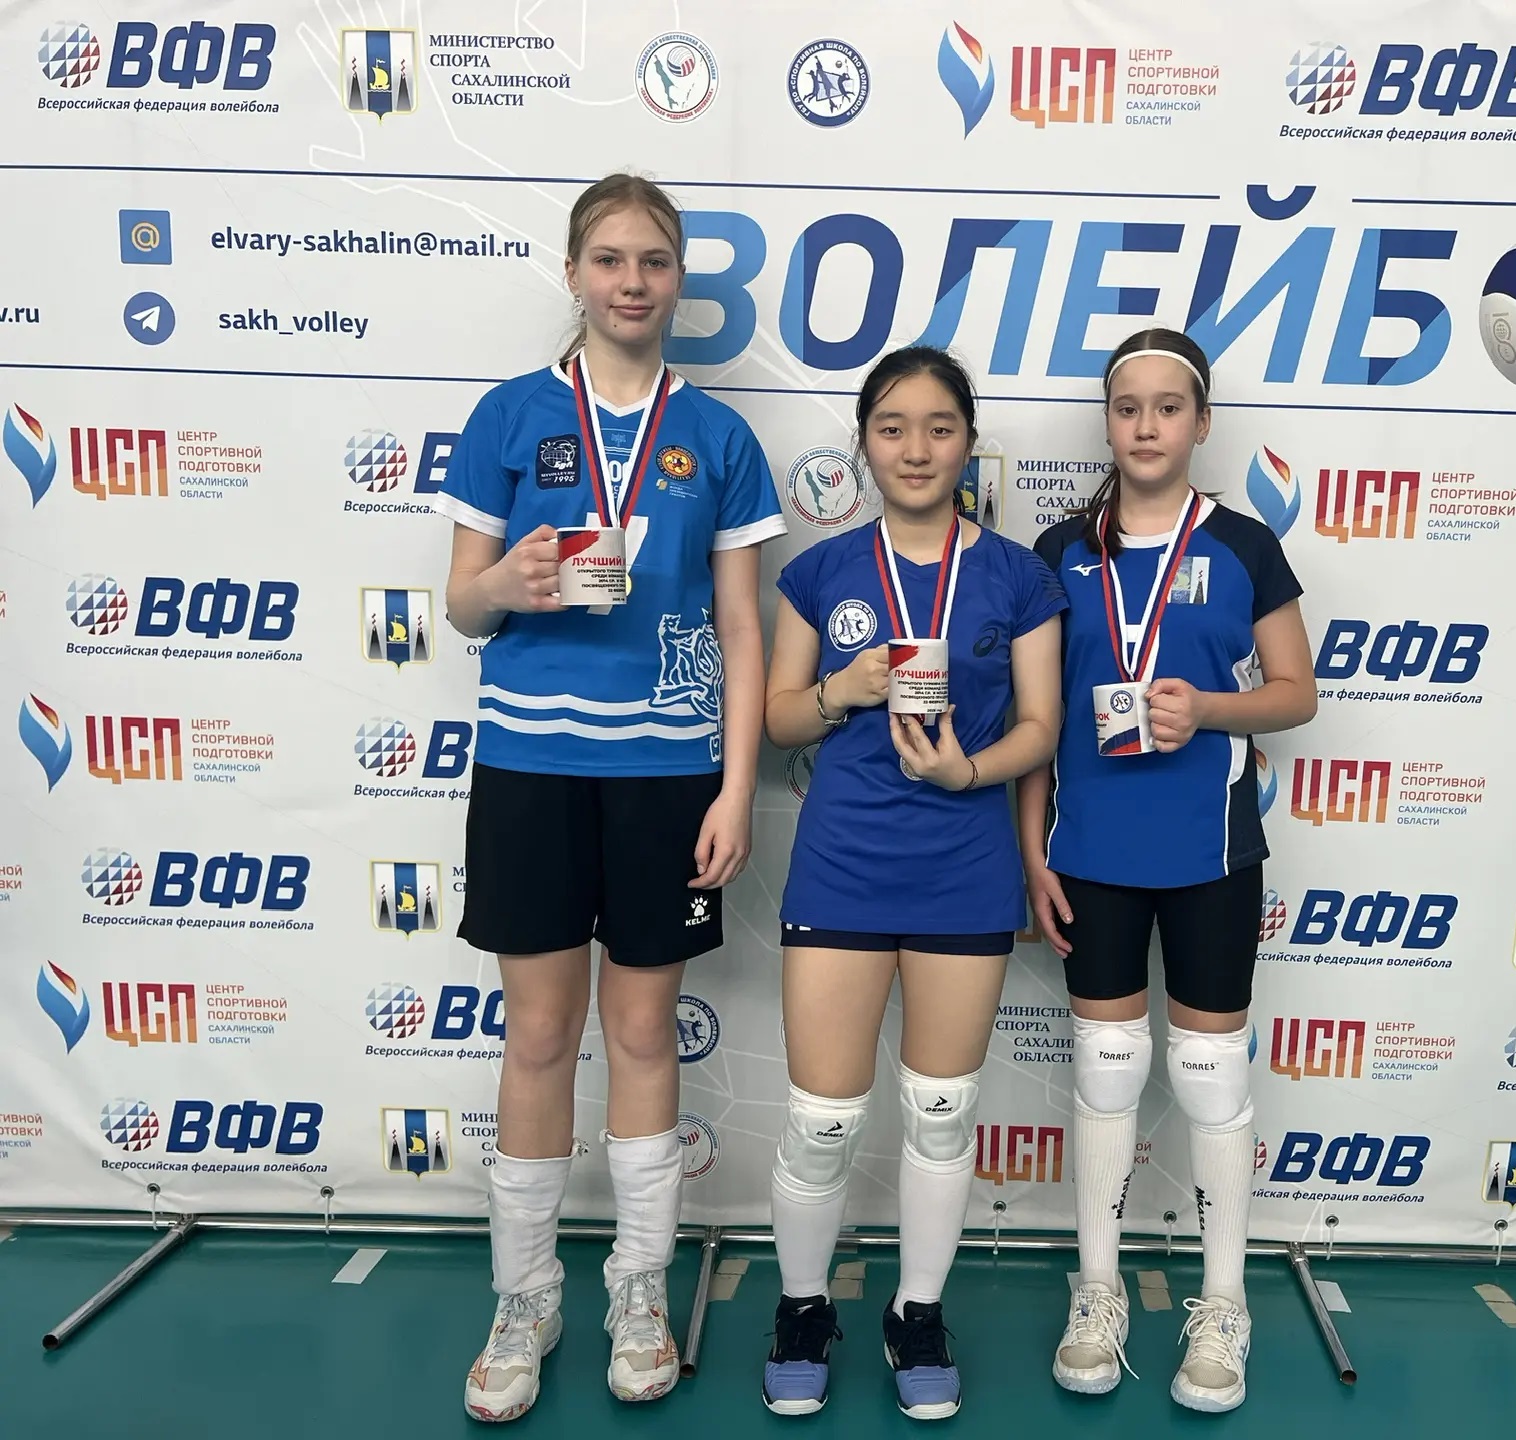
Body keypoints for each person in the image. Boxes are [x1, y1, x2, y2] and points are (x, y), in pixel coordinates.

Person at [435, 172, 786, 1423]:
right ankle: (524, 1297)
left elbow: (741, 628)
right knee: (538, 1037)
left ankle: (638, 1290)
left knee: (642, 1034)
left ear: (677, 279)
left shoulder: (720, 439)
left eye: (653, 261)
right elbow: (459, 603)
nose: (632, 282)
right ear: (575, 272)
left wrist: (736, 789)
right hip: (531, 767)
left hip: (665, 777)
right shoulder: (510, 414)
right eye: (610, 259)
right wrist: (508, 584)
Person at [760, 346, 1066, 1419]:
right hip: (842, 866)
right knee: (823, 1120)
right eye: (893, 428)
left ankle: (917, 1315)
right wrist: (840, 689)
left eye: (940, 427)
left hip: (964, 869)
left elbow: (1043, 726)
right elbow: (776, 719)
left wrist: (966, 772)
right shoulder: (822, 571)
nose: (917, 448)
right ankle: (804, 1308)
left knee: (941, 1113)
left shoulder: (1019, 576)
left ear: (968, 441)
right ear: (864, 443)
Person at [1017, 327, 1316, 1414]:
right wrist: (1031, 853)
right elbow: (1038, 721)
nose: (1146, 426)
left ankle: (1223, 1306)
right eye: (1127, 406)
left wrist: (1211, 710)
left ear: (1202, 422)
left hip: (1209, 850)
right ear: (1108, 421)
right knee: (1106, 1068)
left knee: (1208, 1076)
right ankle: (1096, 1294)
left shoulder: (1243, 544)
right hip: (1091, 851)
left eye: (1168, 407)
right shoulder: (1060, 549)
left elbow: (1296, 692)